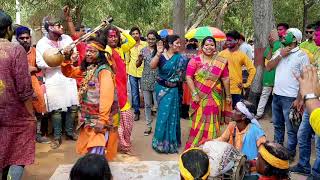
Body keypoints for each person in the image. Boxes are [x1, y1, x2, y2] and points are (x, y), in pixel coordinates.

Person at [61, 37, 119, 160]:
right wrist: (66, 59)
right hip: (88, 119)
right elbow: (69, 73)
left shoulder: (104, 71)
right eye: (87, 50)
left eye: (92, 51)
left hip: (99, 120)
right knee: (92, 154)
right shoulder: (89, 68)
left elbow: (106, 97)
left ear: (100, 54)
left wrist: (102, 120)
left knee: (97, 153)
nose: (88, 53)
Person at [0, 10, 36, 180]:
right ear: (8, 29)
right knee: (17, 154)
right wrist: (31, 116)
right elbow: (24, 88)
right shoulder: (15, 50)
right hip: (14, 116)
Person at [266, 28, 310, 161]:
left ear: (295, 39)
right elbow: (268, 67)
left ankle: (290, 154)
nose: (283, 36)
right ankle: (277, 151)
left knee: (291, 129)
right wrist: (280, 55)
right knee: (278, 125)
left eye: (287, 34)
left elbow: (305, 78)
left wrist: (299, 99)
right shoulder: (279, 51)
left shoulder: (302, 56)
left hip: (291, 98)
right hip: (277, 96)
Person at [36, 16, 79, 149]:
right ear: (49, 27)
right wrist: (58, 60)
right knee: (56, 110)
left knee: (72, 107)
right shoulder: (42, 44)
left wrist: (73, 57)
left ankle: (70, 132)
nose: (61, 27)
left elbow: (74, 56)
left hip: (69, 77)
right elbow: (40, 63)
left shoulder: (67, 39)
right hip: (53, 79)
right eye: (58, 25)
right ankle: (57, 136)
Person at [184, 36, 232, 149]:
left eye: (211, 45)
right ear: (202, 47)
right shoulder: (194, 60)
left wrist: (228, 96)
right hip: (199, 97)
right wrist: (194, 94)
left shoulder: (220, 61)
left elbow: (225, 79)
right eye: (206, 45)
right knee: (198, 121)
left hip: (214, 97)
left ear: (215, 47)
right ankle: (196, 146)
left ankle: (211, 146)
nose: (209, 47)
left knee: (213, 120)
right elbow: (188, 77)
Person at [99, 26, 136, 154]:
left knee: (127, 119)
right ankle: (122, 146)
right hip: (114, 89)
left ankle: (122, 144)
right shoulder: (107, 50)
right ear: (105, 38)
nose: (113, 38)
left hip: (123, 88)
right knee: (119, 119)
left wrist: (120, 30)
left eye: (115, 36)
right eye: (110, 36)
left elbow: (131, 41)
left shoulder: (121, 48)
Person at [291, 23, 320, 178]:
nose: (313, 37)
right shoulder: (317, 54)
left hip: (316, 103)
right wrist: (302, 98)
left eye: (316, 34)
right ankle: (303, 166)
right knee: (302, 134)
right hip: (312, 103)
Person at [150, 35, 188, 153]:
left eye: (179, 43)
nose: (179, 45)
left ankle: (171, 142)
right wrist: (158, 53)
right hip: (162, 90)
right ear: (170, 44)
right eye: (176, 43)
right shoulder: (161, 56)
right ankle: (160, 142)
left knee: (173, 115)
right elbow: (152, 66)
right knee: (163, 115)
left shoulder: (181, 58)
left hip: (174, 90)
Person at [15, 26, 50, 144]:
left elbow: (40, 66)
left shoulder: (35, 51)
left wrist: (32, 68)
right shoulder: (14, 51)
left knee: (39, 107)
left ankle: (38, 134)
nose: (25, 40)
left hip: (34, 82)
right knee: (21, 110)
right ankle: (24, 136)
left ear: (30, 38)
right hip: (18, 83)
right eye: (22, 38)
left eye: (27, 38)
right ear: (17, 38)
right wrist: (25, 69)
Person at [219, 30, 256, 108]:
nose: (227, 42)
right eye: (227, 40)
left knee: (236, 114)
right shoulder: (221, 54)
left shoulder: (242, 55)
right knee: (223, 114)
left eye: (230, 40)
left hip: (236, 89)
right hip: (222, 89)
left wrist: (246, 84)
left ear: (237, 40)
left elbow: (252, 69)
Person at [136, 30, 160, 136]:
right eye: (149, 38)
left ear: (156, 39)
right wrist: (139, 60)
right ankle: (148, 126)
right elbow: (137, 65)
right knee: (147, 105)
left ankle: (159, 127)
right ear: (146, 39)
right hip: (145, 80)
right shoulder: (143, 50)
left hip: (157, 80)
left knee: (158, 105)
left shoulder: (160, 51)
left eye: (153, 39)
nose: (150, 41)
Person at [255, 30, 283, 119]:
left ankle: (274, 116)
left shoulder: (282, 45)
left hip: (278, 76)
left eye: (270, 36)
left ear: (275, 36)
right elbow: (268, 57)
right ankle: (259, 113)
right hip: (269, 75)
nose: (269, 38)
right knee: (266, 95)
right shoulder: (269, 47)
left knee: (275, 97)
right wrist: (271, 47)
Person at [126, 27, 148, 121]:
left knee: (146, 92)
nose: (135, 35)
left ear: (139, 34)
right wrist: (127, 72)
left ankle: (149, 110)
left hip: (143, 71)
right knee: (134, 93)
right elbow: (127, 60)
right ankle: (136, 112)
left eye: (136, 33)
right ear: (131, 35)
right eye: (133, 34)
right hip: (132, 72)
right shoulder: (128, 46)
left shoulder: (145, 44)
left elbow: (147, 57)